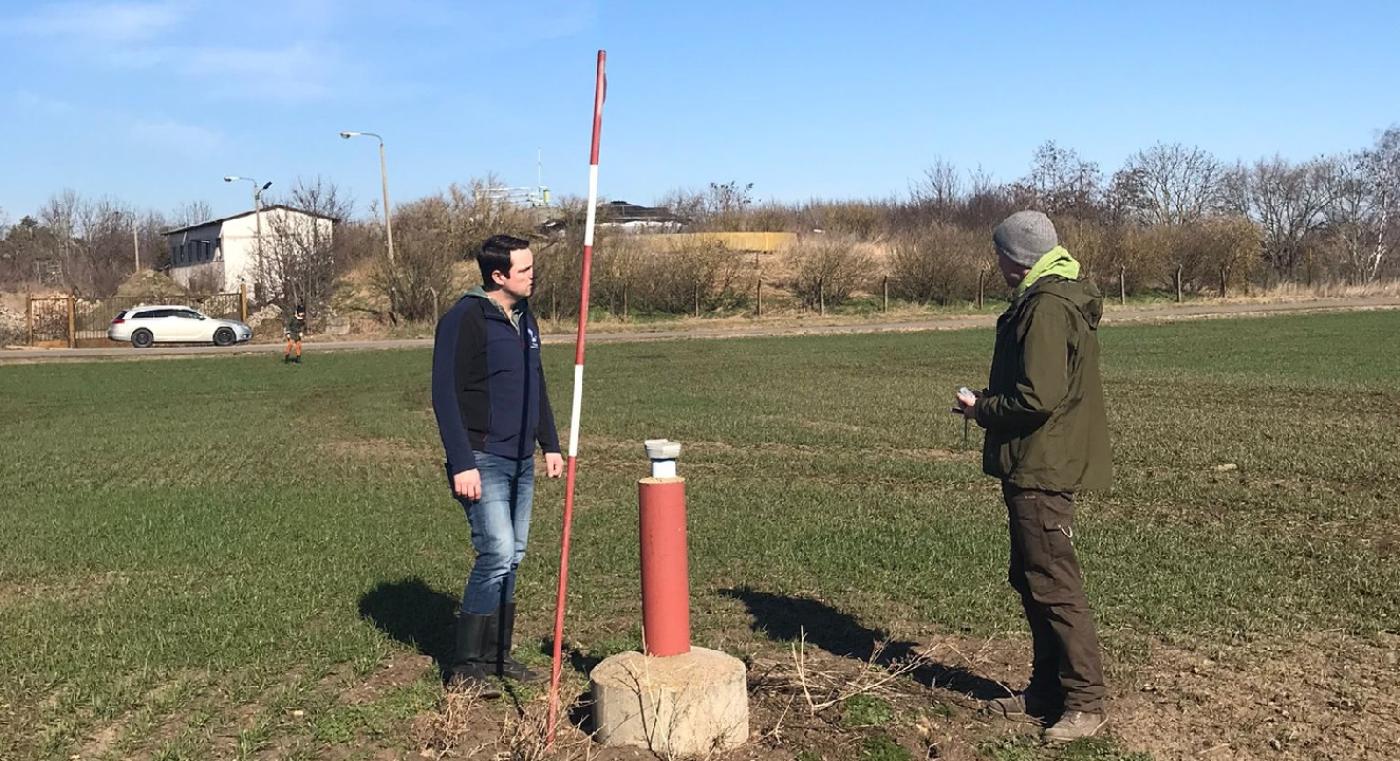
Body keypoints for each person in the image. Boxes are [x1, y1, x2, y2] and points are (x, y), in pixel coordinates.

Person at [954, 210, 1113, 743]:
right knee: (1031, 578)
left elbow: (1037, 397)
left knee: (1053, 583)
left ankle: (1085, 703)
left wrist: (982, 410)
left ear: (1016, 256)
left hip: (1042, 463)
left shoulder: (1046, 306)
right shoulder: (1053, 297)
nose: (995, 260)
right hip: (1037, 458)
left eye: (999, 252)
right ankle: (1046, 690)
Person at [431, 234, 564, 692]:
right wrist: (461, 462)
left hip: (522, 458)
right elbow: (443, 394)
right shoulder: (464, 318)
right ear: (498, 275)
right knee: (497, 553)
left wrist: (550, 444)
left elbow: (536, 384)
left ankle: (499, 657)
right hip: (481, 458)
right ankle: (466, 664)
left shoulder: (526, 318)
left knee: (515, 556)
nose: (533, 276)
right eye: (525, 270)